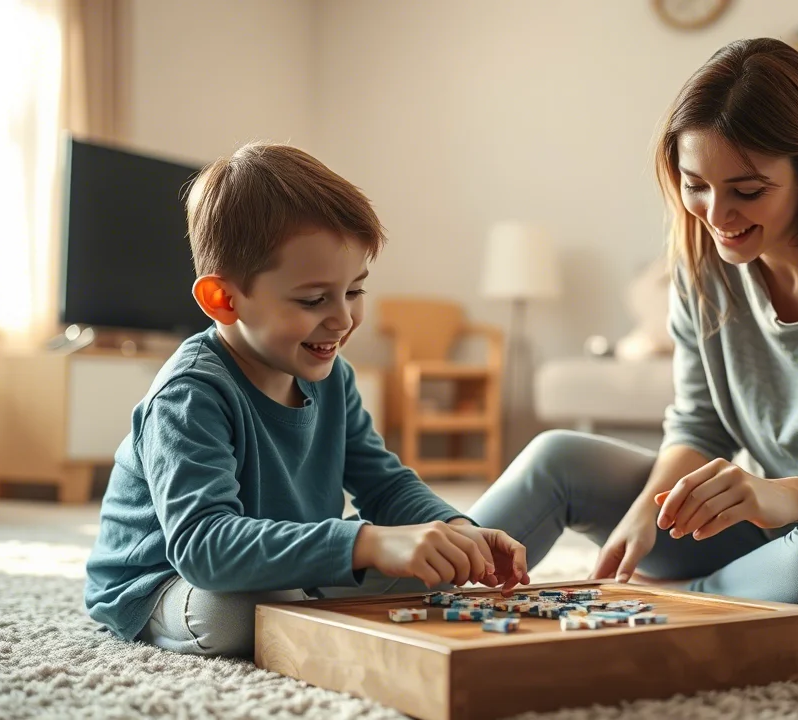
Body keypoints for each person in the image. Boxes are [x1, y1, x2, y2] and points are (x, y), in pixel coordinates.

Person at [468, 38, 798, 642]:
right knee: (555, 458)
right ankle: (413, 590)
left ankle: (667, 608)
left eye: (747, 190)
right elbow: (699, 425)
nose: (716, 214)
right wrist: (646, 511)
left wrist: (783, 497)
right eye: (696, 185)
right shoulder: (700, 258)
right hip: (770, 523)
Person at [84, 143, 528, 657]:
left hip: (281, 563)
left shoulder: (332, 376)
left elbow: (383, 484)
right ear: (223, 300)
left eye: (355, 291)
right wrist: (369, 544)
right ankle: (302, 595)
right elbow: (205, 547)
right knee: (239, 609)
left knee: (430, 570)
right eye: (314, 300)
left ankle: (310, 592)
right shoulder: (188, 394)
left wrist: (455, 531)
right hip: (167, 580)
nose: (342, 320)